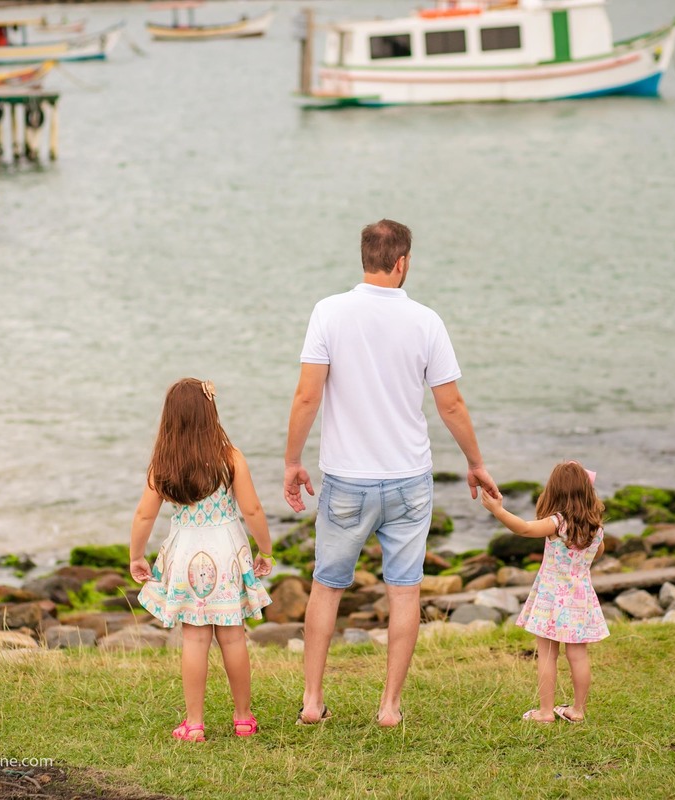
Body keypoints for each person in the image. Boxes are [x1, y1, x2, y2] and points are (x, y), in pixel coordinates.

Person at [284, 219, 499, 728]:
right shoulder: (426, 321)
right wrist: (475, 462)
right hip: (408, 480)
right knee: (404, 590)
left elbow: (307, 395)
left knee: (326, 587)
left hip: (345, 481)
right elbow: (451, 405)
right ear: (401, 262)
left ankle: (313, 702)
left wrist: (292, 461)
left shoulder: (328, 312)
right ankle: (389, 707)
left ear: (364, 257)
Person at [129, 378, 274, 742]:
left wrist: (136, 555)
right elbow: (252, 508)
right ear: (211, 412)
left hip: (186, 551)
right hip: (226, 549)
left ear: (170, 418)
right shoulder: (230, 457)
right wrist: (265, 549)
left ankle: (194, 723)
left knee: (194, 640)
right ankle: (243, 718)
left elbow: (144, 516)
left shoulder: (165, 463)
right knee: (233, 637)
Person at [480, 461, 609, 724]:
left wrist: (498, 510)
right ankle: (577, 710)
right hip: (580, 598)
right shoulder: (595, 528)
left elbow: (525, 528)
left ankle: (546, 712)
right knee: (578, 655)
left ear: (554, 491)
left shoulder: (556, 523)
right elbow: (599, 553)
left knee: (548, 654)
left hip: (552, 599)